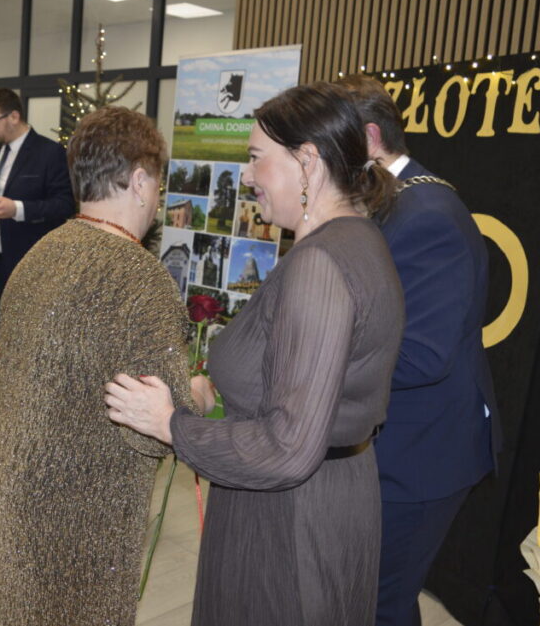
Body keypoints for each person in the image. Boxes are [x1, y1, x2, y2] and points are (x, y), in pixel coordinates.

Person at [105, 83, 405, 625]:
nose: (245, 177)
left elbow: (288, 446)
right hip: (330, 498)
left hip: (287, 520)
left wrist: (170, 424)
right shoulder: (361, 240)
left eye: (255, 159)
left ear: (306, 162)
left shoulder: (319, 266)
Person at [0, 107, 205, 626]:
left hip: (10, 488)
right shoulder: (140, 279)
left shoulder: (39, 254)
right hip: (79, 511)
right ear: (140, 181)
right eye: (159, 184)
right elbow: (156, 430)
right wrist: (199, 395)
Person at [337, 74, 499, 626]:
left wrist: (317, 367)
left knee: (377, 605)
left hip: (421, 457)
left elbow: (422, 358)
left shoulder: (427, 214)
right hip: (392, 443)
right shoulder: (387, 201)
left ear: (370, 138)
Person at [0, 88, 74, 329]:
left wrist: (18, 209)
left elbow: (64, 205)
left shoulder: (49, 153)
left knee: (17, 339)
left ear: (14, 117)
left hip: (23, 267)